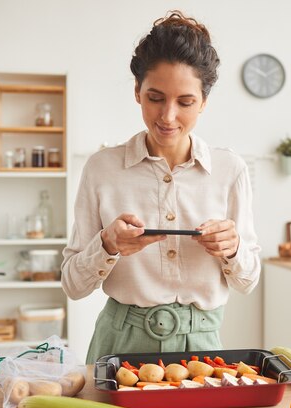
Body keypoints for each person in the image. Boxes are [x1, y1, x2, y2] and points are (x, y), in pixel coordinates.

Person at [61, 10, 261, 364]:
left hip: (203, 351)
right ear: (137, 91)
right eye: (155, 98)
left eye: (185, 102)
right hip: (118, 345)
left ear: (204, 102)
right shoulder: (101, 168)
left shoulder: (230, 169)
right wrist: (107, 244)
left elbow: (248, 281)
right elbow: (73, 286)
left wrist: (232, 249)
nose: (168, 116)